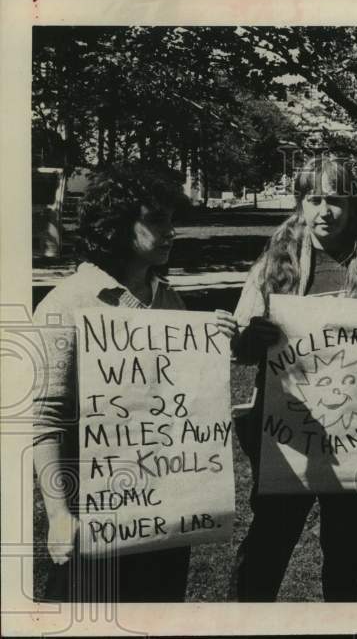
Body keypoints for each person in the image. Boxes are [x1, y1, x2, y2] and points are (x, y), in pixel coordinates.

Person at [32, 162, 238, 602]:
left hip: (166, 509)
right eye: (157, 220)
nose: (172, 232)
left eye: (172, 220)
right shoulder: (65, 305)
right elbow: (44, 420)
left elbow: (185, 403)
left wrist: (216, 344)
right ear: (117, 226)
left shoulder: (171, 299)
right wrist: (58, 514)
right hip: (96, 509)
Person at [229, 155, 357, 602]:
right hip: (287, 431)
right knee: (270, 540)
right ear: (300, 203)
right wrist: (253, 337)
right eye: (314, 199)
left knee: (350, 549)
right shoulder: (274, 263)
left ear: (353, 205)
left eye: (335, 199)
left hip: (356, 432)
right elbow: (239, 348)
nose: (324, 211)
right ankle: (245, 625)